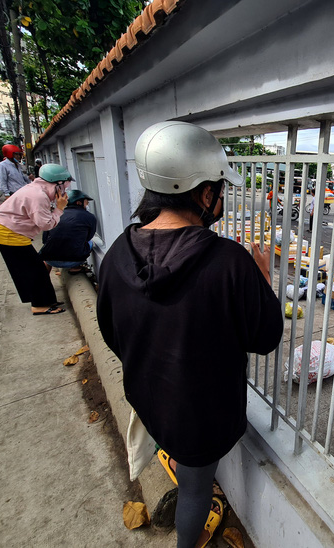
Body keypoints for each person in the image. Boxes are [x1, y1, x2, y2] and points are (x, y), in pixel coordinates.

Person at [96, 121, 283, 548]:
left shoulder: (117, 253)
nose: (220, 195)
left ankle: (174, 456)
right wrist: (261, 278)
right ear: (203, 193)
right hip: (201, 416)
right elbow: (266, 336)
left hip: (147, 397)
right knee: (197, 490)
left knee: (181, 457)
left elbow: (111, 332)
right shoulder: (230, 261)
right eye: (218, 186)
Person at [0, 163, 72, 315]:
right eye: (65, 186)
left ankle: (46, 300)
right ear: (58, 184)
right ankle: (39, 305)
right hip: (7, 232)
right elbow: (46, 224)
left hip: (11, 230)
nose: (65, 191)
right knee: (31, 270)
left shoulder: (37, 190)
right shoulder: (38, 196)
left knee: (35, 268)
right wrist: (59, 208)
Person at [39, 189, 97, 273]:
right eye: (86, 202)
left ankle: (44, 278)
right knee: (90, 243)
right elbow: (88, 237)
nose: (87, 204)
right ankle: (75, 268)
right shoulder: (90, 217)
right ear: (78, 203)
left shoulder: (55, 215)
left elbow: (45, 239)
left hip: (50, 260)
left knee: (48, 248)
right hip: (74, 261)